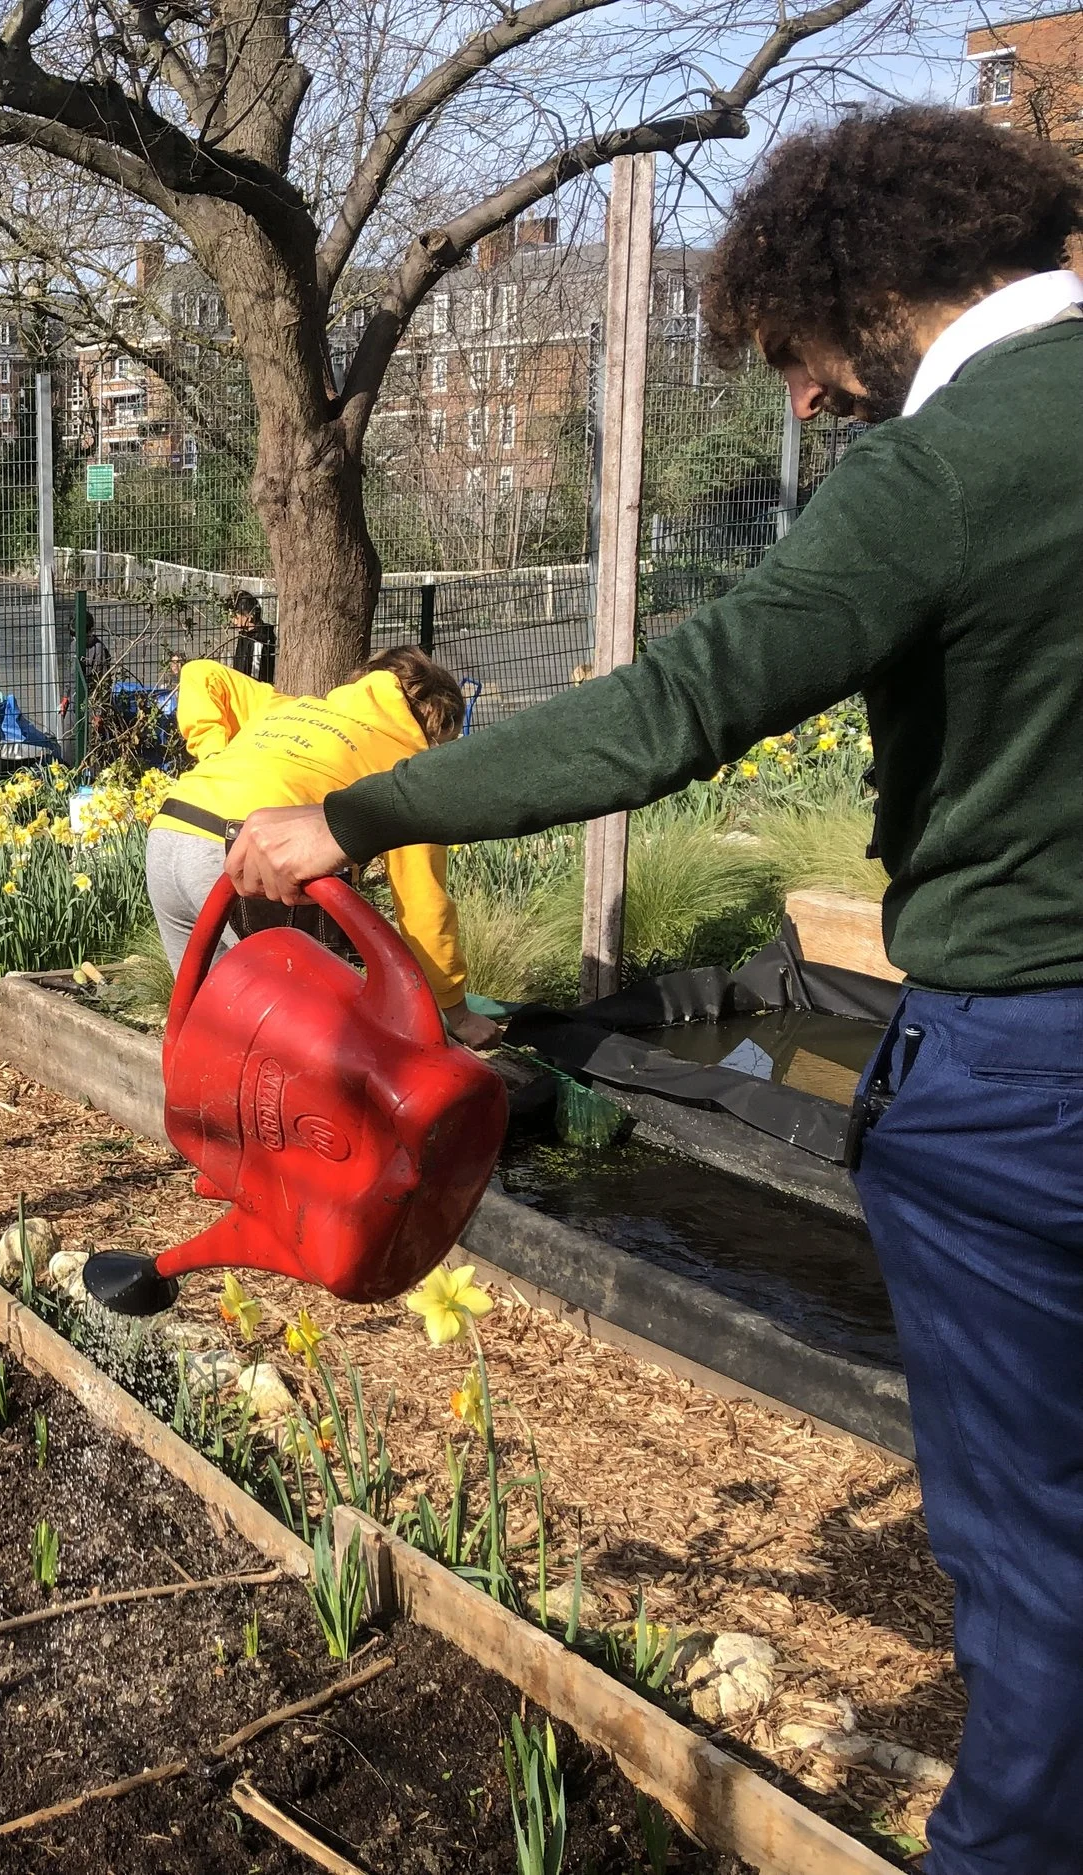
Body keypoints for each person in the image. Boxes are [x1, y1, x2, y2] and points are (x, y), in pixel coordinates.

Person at [220, 109, 1083, 1874]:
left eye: (799, 359)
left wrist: (351, 818)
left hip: (1029, 1073)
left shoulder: (954, 471)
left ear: (873, 294)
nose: (806, 405)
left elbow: (667, 716)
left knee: (1041, 1568)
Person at [148, 645, 498, 1045]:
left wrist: (212, 752)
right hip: (248, 850)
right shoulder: (405, 764)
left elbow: (202, 674)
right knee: (306, 1037)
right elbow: (424, 908)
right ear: (436, 725)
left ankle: (196, 1104)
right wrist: (457, 1013)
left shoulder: (291, 707)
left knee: (207, 1022)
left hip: (172, 829)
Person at [225, 590, 277, 682]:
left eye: (236, 616)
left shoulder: (259, 641)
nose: (234, 621)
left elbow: (255, 679)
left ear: (249, 616)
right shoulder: (245, 634)